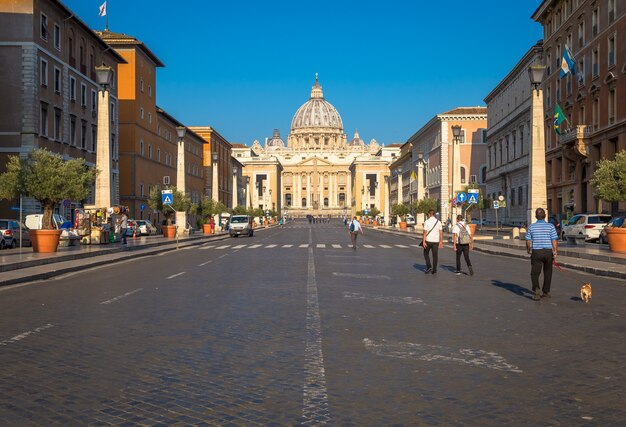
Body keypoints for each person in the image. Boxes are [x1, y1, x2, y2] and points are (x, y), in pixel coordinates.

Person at [525, 207, 558, 301]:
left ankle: (536, 289)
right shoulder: (551, 226)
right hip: (548, 252)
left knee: (535, 273)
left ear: (536, 216)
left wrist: (528, 249)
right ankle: (546, 292)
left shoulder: (531, 226)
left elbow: (528, 240)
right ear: (545, 216)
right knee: (548, 272)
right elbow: (554, 240)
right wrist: (555, 251)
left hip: (536, 252)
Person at [422, 209, 443, 274]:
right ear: (434, 214)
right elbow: (441, 232)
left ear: (429, 214)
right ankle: (434, 269)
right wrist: (441, 242)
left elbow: (425, 232)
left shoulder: (426, 222)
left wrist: (423, 241)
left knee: (426, 254)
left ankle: (429, 266)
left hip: (428, 240)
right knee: (435, 255)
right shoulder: (439, 222)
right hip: (436, 241)